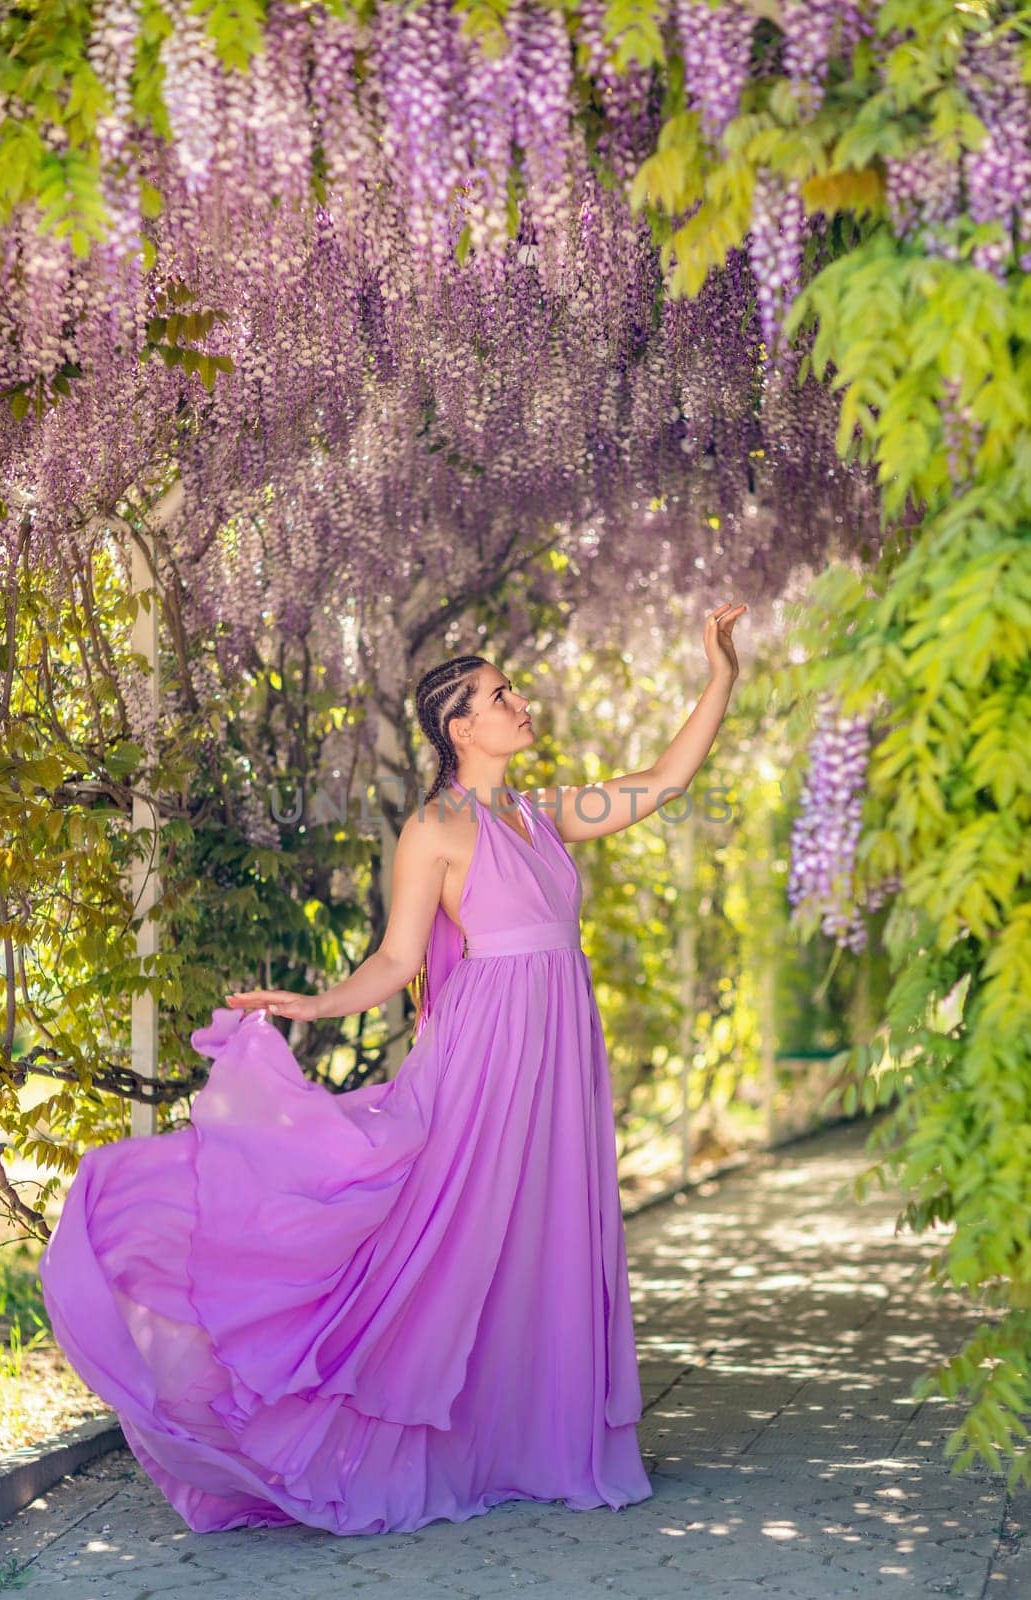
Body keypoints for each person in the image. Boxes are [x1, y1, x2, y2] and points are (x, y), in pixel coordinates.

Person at [38, 601, 745, 1537]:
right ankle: (358, 1422)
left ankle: (531, 1441)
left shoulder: (541, 815)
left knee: (543, 1230)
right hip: (488, 1056)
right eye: (501, 695)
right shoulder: (436, 830)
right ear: (462, 727)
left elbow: (660, 779)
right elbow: (394, 959)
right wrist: (312, 1004)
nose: (519, 702)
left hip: (559, 1050)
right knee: (446, 1236)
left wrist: (720, 672)